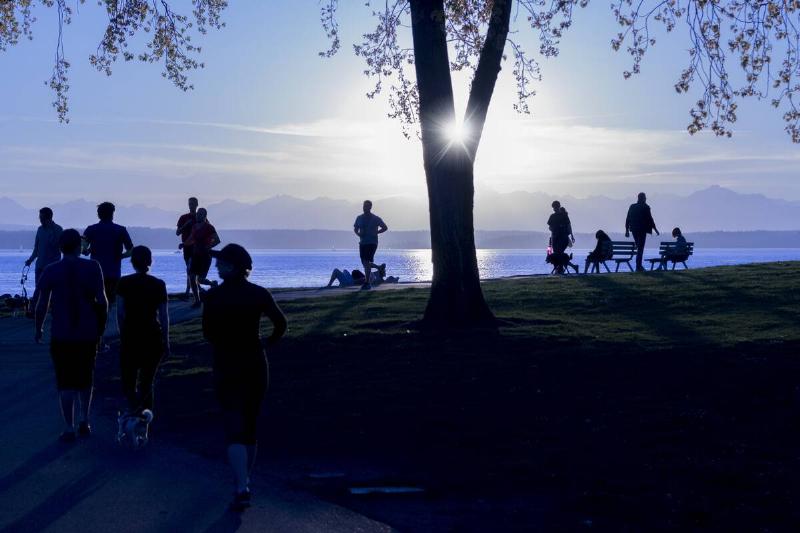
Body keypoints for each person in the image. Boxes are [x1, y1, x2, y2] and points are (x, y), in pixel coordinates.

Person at [202, 244, 287, 511]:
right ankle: (245, 481)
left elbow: (208, 333)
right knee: (250, 425)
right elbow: (281, 324)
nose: (216, 266)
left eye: (221, 263)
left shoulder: (214, 296)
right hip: (255, 364)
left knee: (233, 426)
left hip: (227, 363)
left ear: (232, 266)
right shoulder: (259, 294)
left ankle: (241, 486)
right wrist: (266, 342)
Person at [35, 229, 108, 442]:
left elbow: (42, 304)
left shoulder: (50, 270)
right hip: (87, 333)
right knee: (85, 378)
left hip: (61, 333)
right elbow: (102, 301)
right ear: (79, 246)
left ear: (60, 247)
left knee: (65, 382)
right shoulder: (93, 266)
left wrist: (38, 328)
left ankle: (69, 426)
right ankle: (84, 419)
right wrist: (101, 329)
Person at [116, 246, 170, 414]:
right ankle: (145, 419)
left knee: (129, 381)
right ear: (150, 261)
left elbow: (120, 313)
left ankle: (134, 411)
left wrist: (122, 334)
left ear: (132, 262)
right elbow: (164, 315)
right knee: (147, 382)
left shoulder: (123, 283)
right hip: (152, 336)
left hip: (131, 335)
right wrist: (166, 340)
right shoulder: (159, 284)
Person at [83, 202, 133, 349]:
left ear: (99, 214)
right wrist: (120, 256)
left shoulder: (91, 230)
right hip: (113, 273)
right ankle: (105, 337)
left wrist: (88, 250)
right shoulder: (120, 230)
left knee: (94, 305)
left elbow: (82, 249)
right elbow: (131, 250)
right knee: (110, 306)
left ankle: (94, 337)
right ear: (113, 213)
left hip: (94, 274)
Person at [25, 207, 63, 315]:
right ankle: (34, 310)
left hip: (53, 266)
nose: (40, 220)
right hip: (40, 266)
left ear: (48, 217)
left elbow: (59, 246)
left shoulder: (58, 230)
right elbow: (36, 248)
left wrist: (51, 233)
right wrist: (30, 260)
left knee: (54, 290)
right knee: (39, 289)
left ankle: (55, 310)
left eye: (41, 217)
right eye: (40, 217)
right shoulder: (40, 229)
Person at [184, 207, 221, 308]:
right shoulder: (195, 227)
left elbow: (217, 240)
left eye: (200, 214)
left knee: (200, 279)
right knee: (192, 278)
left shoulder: (209, 227)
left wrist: (208, 247)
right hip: (196, 255)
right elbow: (191, 239)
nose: (198, 215)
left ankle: (213, 283)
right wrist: (184, 244)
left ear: (205, 216)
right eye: (197, 214)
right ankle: (197, 301)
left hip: (205, 257)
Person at [353, 200, 388, 290]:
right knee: (365, 263)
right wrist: (359, 234)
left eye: (367, 206)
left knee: (366, 262)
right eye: (364, 206)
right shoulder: (359, 218)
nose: (365, 208)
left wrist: (376, 232)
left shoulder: (375, 218)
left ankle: (367, 283)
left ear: (370, 207)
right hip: (362, 243)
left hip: (372, 242)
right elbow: (355, 229)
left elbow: (385, 227)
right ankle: (379, 267)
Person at [625, 192, 659, 272]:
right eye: (645, 198)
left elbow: (628, 219)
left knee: (639, 247)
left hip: (634, 230)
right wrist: (655, 229)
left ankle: (638, 266)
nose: (646, 199)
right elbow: (650, 219)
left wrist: (626, 230)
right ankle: (638, 267)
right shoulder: (645, 207)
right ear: (643, 198)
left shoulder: (632, 206)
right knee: (640, 248)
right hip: (642, 230)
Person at [176, 197, 199, 297]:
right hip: (186, 248)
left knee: (191, 270)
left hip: (197, 247)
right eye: (190, 204)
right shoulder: (183, 218)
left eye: (193, 204)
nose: (191, 206)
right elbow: (177, 232)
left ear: (197, 204)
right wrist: (186, 225)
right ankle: (199, 288)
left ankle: (187, 291)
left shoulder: (201, 217)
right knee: (190, 270)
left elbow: (208, 230)